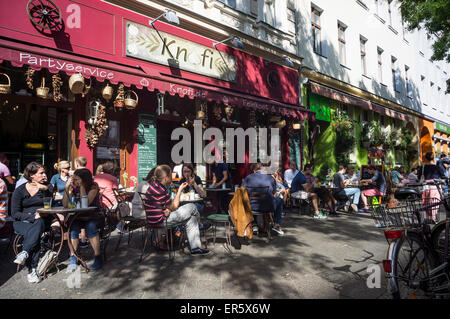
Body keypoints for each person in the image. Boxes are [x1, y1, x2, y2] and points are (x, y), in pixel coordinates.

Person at [143, 165, 209, 255]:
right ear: (166, 178)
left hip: (154, 219)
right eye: (171, 175)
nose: (172, 176)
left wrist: (167, 209)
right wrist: (179, 191)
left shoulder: (154, 186)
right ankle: (199, 225)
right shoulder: (162, 190)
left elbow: (165, 207)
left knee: (192, 218)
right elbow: (174, 207)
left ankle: (196, 248)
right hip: (161, 221)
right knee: (192, 207)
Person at [11, 162, 54, 283]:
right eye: (41, 173)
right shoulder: (19, 190)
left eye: (44, 172)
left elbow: (49, 207)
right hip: (23, 221)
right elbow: (14, 213)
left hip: (43, 220)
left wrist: (45, 190)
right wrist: (32, 216)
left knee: (38, 224)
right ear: (31, 175)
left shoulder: (48, 187)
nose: (44, 175)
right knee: (34, 233)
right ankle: (32, 269)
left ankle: (25, 254)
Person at [63, 168, 103, 271]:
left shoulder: (93, 187)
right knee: (72, 228)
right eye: (74, 179)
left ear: (84, 180)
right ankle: (73, 257)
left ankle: (98, 256)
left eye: (77, 179)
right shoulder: (73, 187)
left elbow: (86, 203)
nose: (75, 181)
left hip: (94, 216)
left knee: (90, 227)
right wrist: (67, 188)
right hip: (78, 216)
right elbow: (65, 204)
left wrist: (81, 187)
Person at [242, 162, 284, 235]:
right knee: (279, 200)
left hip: (252, 207)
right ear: (262, 169)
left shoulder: (248, 178)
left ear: (254, 171)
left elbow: (242, 191)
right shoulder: (270, 178)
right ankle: (276, 225)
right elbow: (274, 194)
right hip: (268, 207)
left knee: (252, 201)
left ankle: (254, 224)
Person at [418, 152, 442, 222]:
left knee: (426, 201)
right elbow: (443, 176)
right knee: (435, 201)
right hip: (435, 185)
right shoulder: (437, 167)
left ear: (425, 158)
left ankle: (429, 217)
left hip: (426, 185)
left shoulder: (423, 167)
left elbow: (419, 177)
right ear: (433, 158)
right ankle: (433, 217)